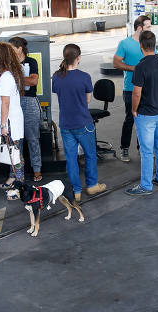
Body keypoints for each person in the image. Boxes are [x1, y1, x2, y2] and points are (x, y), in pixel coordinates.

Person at [51, 44, 106, 201]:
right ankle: (91, 185)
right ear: (78, 58)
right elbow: (87, 99)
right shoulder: (84, 77)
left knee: (71, 158)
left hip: (66, 124)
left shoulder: (57, 76)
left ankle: (76, 190)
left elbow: (59, 93)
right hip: (83, 123)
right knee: (90, 155)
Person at [125, 31, 158, 196]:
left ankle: (146, 185)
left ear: (141, 45)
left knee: (147, 151)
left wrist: (134, 110)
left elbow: (136, 93)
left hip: (146, 114)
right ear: (155, 45)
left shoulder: (140, 66)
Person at [113, 15, 152, 162]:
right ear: (139, 28)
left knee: (144, 120)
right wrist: (134, 69)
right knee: (131, 118)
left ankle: (141, 148)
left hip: (147, 89)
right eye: (148, 26)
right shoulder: (125, 43)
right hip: (130, 88)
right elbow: (116, 63)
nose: (150, 29)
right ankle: (124, 148)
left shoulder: (148, 42)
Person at [8, 37, 42, 181]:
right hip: (14, 102)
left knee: (33, 138)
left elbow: (34, 81)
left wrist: (15, 78)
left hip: (29, 102)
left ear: (20, 48)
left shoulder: (31, 62)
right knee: (16, 140)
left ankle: (37, 170)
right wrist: (23, 79)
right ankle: (17, 173)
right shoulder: (9, 64)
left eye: (12, 48)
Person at [0, 42, 25, 189]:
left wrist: (4, 125)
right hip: (10, 121)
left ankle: (19, 186)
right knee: (13, 153)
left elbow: (5, 102)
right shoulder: (7, 75)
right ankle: (13, 179)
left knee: (15, 154)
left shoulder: (5, 77)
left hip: (9, 122)